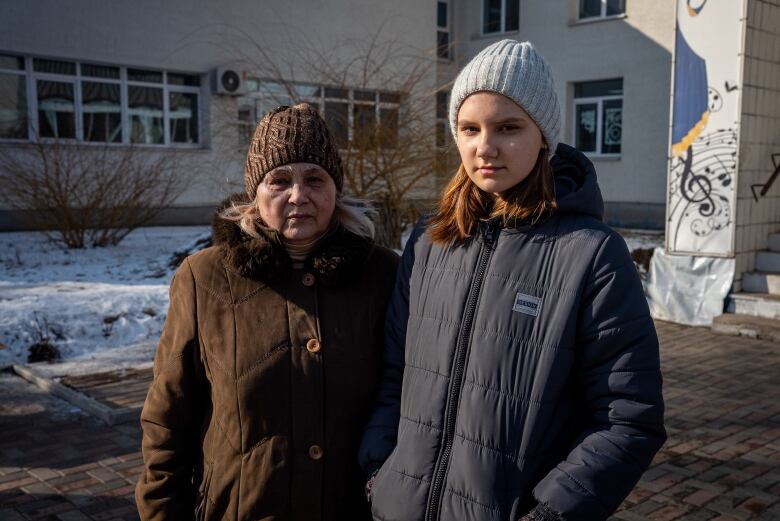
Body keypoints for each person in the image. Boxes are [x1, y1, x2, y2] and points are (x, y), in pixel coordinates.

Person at [358, 40, 666, 521]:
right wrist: (380, 474)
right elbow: (394, 375)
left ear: (544, 136)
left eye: (508, 127)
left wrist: (549, 515)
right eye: (469, 128)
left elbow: (627, 416)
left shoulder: (591, 254)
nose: (485, 147)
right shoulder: (428, 241)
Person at [135, 103, 398, 520]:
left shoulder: (383, 275)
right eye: (279, 181)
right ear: (255, 194)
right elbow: (168, 416)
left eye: (315, 178)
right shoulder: (203, 279)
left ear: (336, 190)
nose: (299, 196)